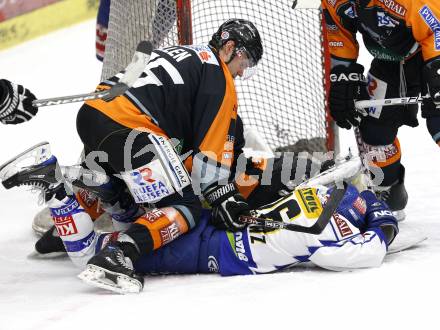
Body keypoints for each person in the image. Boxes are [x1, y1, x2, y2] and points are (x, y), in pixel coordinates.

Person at [1, 19, 267, 286]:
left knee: (122, 183)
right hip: (129, 126)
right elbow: (212, 159)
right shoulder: (218, 78)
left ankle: (61, 228)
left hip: (93, 115)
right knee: (185, 206)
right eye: (243, 64)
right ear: (229, 48)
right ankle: (119, 254)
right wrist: (225, 197)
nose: (241, 73)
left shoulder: (186, 54)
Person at [74, 182, 397, 293]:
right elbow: (344, 256)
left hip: (212, 219)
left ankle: (105, 191)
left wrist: (375, 218)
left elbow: (363, 199)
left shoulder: (321, 191)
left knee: (145, 226)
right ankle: (64, 199)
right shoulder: (331, 234)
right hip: (213, 250)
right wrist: (381, 231)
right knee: (99, 253)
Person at [322, 0, 440, 220]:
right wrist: (343, 78)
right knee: (375, 131)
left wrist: (437, 70)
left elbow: (436, 27)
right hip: (388, 62)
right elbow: (339, 34)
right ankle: (389, 193)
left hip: (430, 56)